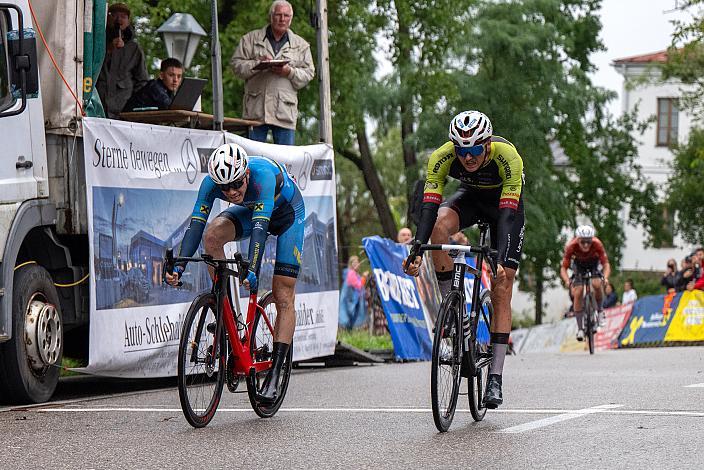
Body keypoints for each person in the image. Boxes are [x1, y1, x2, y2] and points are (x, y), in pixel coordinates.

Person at [165, 142, 305, 403]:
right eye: (224, 188)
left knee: (283, 293)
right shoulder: (211, 185)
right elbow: (196, 225)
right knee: (212, 237)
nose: (231, 192)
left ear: (246, 175)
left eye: (237, 184)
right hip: (254, 212)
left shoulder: (262, 176)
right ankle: (225, 310)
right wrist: (179, 265)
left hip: (286, 216)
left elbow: (260, 230)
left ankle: (275, 373)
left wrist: (251, 269)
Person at [403, 110, 525, 409]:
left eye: (473, 150)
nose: (467, 158)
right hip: (469, 198)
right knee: (438, 226)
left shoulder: (508, 157)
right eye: (461, 151)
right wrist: (417, 249)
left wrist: (498, 258)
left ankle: (495, 377)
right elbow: (429, 206)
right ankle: (452, 309)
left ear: (486, 145)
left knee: (502, 285)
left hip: (504, 208)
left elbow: (508, 217)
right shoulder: (442, 157)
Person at [230, 0, 315, 145]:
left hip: (285, 113)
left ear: (291, 19)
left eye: (286, 16)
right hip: (255, 111)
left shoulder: (302, 45)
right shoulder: (250, 39)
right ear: (271, 16)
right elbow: (236, 65)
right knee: (252, 159)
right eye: (279, 15)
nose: (282, 19)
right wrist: (258, 64)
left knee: (285, 161)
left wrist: (289, 72)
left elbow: (309, 73)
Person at [96, 2, 148, 119]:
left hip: (122, 113)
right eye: (115, 15)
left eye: (123, 16)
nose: (119, 19)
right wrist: (109, 50)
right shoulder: (98, 42)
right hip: (98, 109)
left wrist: (131, 106)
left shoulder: (134, 49)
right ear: (108, 18)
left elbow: (142, 81)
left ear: (128, 21)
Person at [559, 225, 611, 342]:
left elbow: (606, 264)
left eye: (589, 241)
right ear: (578, 239)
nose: (586, 245)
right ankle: (580, 328)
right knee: (578, 292)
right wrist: (567, 280)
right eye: (583, 242)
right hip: (579, 265)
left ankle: (600, 310)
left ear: (592, 239)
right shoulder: (571, 246)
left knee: (597, 284)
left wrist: (606, 278)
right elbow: (563, 268)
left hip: (593, 263)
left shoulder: (597, 244)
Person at [338, 256, 368, 330]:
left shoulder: (354, 274)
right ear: (351, 264)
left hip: (351, 301)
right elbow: (359, 286)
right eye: (355, 263)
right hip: (349, 302)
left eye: (358, 263)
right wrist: (364, 276)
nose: (357, 264)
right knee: (347, 319)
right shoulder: (351, 274)